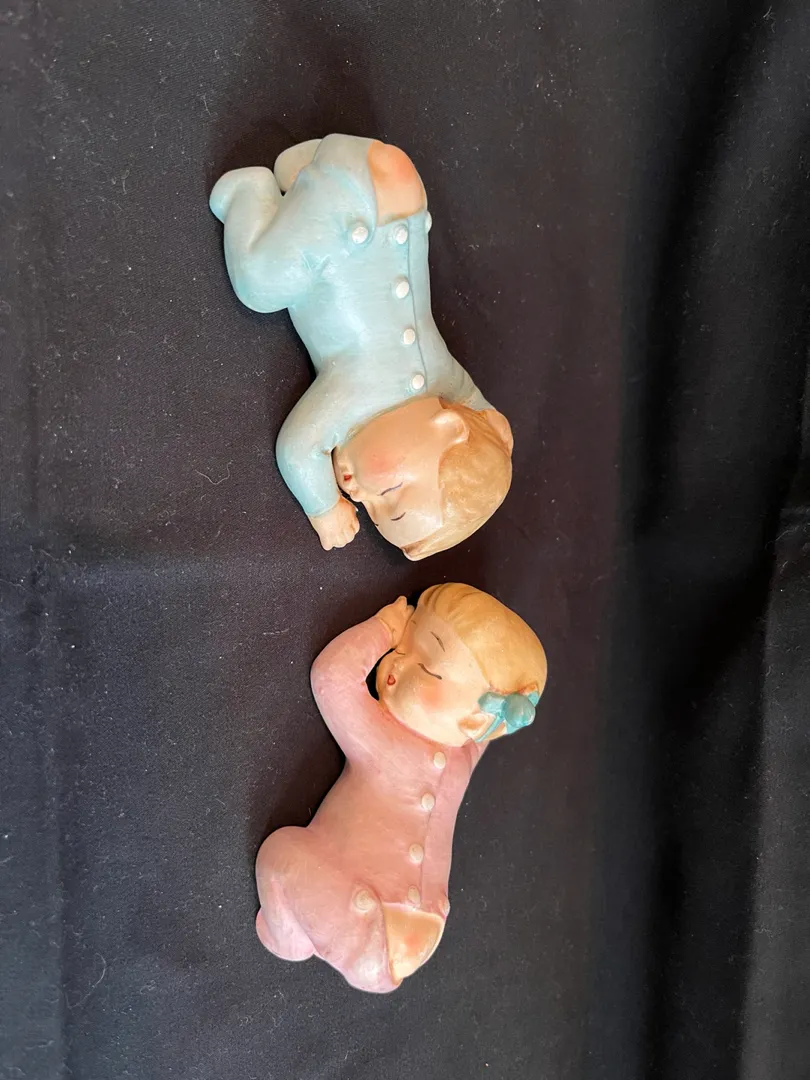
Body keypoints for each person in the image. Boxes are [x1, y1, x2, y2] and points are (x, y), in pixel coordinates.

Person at [210, 135, 513, 559]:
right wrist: (324, 507)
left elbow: (478, 406)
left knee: (322, 210)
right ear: (448, 427)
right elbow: (297, 450)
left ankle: (303, 174)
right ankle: (248, 192)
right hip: (352, 212)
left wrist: (493, 429)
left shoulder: (440, 383)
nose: (359, 496)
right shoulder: (353, 397)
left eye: (370, 511)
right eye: (388, 493)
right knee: (259, 286)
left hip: (396, 197)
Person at [254, 584, 547, 992]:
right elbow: (489, 729)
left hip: (365, 912)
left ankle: (287, 939)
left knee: (280, 853)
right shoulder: (461, 757)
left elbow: (332, 678)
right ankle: (338, 945)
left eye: (426, 668)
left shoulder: (384, 739)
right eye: (401, 648)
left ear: (475, 722)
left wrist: (383, 629)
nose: (394, 664)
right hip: (426, 919)